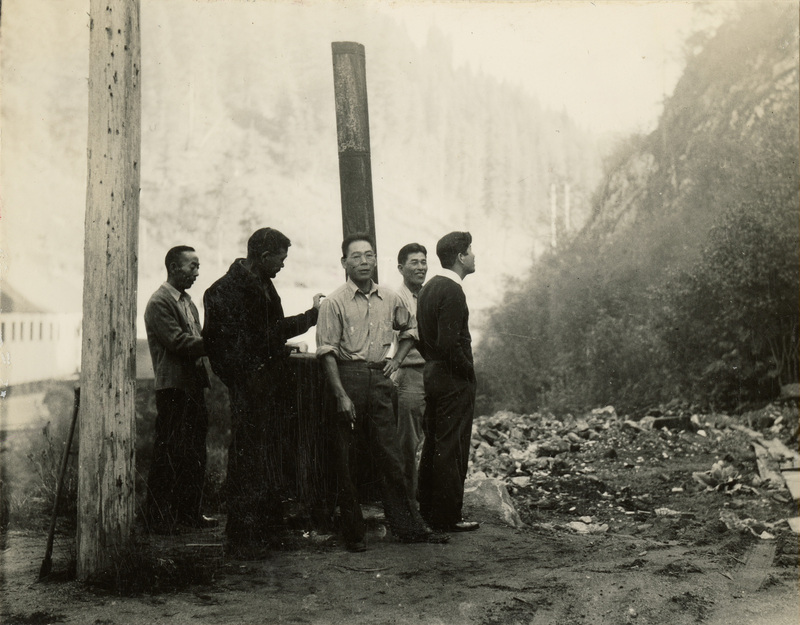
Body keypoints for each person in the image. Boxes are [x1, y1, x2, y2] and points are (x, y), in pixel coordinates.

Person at [316, 233, 447, 552]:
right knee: (346, 459)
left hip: (380, 380)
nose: (363, 262)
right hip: (348, 379)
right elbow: (327, 352)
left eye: (369, 255)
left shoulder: (391, 298)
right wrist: (341, 395)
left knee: (391, 456)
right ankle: (353, 533)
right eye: (356, 256)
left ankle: (406, 526)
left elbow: (410, 331)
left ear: (376, 261)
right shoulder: (333, 302)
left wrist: (396, 361)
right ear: (344, 262)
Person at [203, 228, 323, 558]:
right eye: (281, 259)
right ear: (265, 256)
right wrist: (311, 317)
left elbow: (266, 337)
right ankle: (242, 537)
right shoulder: (224, 291)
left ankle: (266, 531)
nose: (283, 266)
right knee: (248, 460)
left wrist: (277, 352)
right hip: (250, 389)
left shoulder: (261, 284)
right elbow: (233, 343)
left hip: (264, 386)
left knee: (265, 457)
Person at [143, 245, 216, 534]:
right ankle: (157, 519)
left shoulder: (188, 302)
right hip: (173, 389)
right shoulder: (159, 303)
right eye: (192, 266)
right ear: (173, 267)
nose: (197, 272)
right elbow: (179, 343)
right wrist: (218, 341)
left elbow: (197, 338)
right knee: (169, 452)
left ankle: (189, 514)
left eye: (198, 266)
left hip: (193, 386)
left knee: (195, 452)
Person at [416, 231, 480, 532]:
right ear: (459, 257)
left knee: (435, 442)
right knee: (451, 446)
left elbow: (428, 341)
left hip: (432, 373)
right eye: (470, 251)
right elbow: (449, 345)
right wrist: (469, 372)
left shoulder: (429, 287)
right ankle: (447, 516)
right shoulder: (452, 291)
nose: (474, 256)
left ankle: (428, 510)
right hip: (451, 378)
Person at [392, 243, 428, 501]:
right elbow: (409, 337)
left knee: (431, 439)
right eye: (414, 262)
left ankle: (425, 498)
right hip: (410, 374)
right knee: (408, 442)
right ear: (401, 268)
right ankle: (407, 503)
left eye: (423, 261)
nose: (420, 267)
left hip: (432, 374)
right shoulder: (398, 299)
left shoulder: (428, 294)